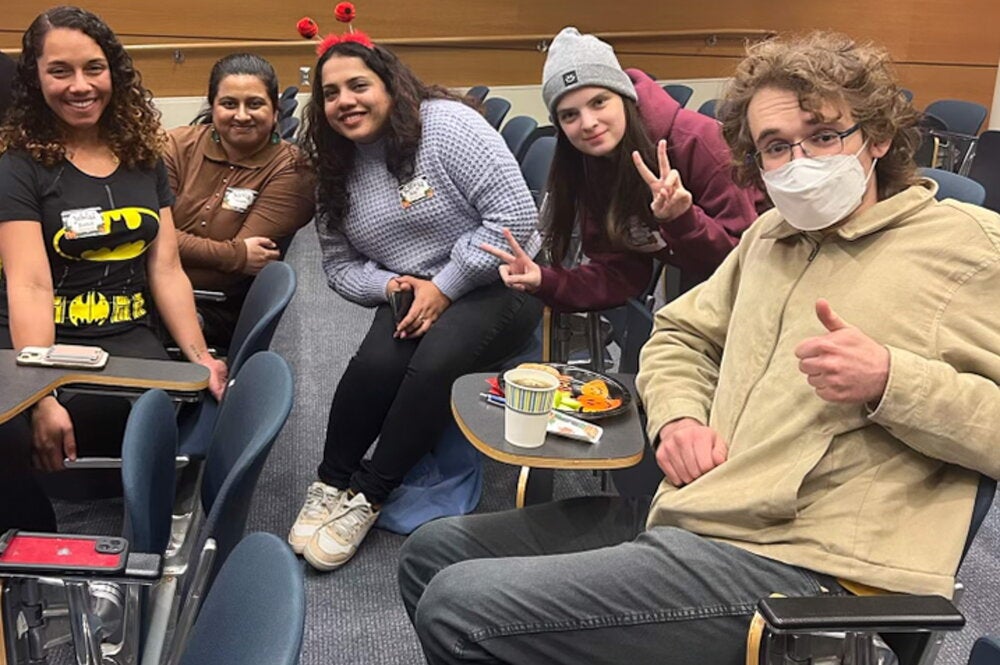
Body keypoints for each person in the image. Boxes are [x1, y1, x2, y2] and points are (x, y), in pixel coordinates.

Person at [398, 31, 1000, 665]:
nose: (799, 160)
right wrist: (680, 415)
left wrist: (890, 381)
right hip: (704, 508)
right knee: (431, 554)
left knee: (459, 607)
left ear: (876, 138)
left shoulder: (969, 248)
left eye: (824, 137)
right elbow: (681, 335)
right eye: (775, 147)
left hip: (807, 563)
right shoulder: (773, 234)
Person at [287, 32, 542, 571]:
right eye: (330, 94)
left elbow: (516, 219)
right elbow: (337, 266)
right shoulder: (334, 166)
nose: (345, 101)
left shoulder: (446, 127)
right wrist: (392, 288)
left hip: (502, 284)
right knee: (374, 364)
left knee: (431, 365)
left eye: (359, 85)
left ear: (390, 85)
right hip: (412, 290)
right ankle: (331, 482)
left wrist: (445, 285)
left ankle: (370, 494)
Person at [0, 6, 227, 532]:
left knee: (161, 407)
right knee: (8, 432)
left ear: (114, 72)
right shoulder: (18, 165)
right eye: (60, 71)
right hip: (38, 341)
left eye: (93, 68)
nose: (80, 86)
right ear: (35, 79)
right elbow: (29, 284)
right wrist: (43, 396)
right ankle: (35, 558)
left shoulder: (142, 154)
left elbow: (167, 269)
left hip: (124, 337)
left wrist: (200, 357)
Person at [482, 27, 761, 312]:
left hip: (765, 278)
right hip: (706, 286)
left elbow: (744, 258)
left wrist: (683, 219)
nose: (588, 123)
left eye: (599, 102)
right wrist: (544, 280)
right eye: (569, 115)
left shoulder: (699, 140)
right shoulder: (592, 162)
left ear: (624, 97)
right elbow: (621, 274)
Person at [164, 53, 315, 349]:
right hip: (148, 288)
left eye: (255, 104)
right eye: (229, 104)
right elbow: (155, 236)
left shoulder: (295, 170)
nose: (242, 115)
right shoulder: (174, 145)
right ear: (213, 106)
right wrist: (234, 254)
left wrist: (171, 241)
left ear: (275, 110)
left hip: (218, 306)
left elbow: (226, 272)